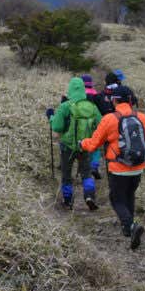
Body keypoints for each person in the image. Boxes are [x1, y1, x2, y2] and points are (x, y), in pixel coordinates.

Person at [80, 85, 145, 250]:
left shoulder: (109, 119)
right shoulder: (141, 117)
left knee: (116, 199)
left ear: (114, 100)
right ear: (130, 100)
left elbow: (93, 145)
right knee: (129, 195)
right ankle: (128, 228)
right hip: (137, 167)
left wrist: (82, 143)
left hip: (118, 168)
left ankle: (131, 226)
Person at [46, 77, 101, 210]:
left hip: (67, 147)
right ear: (83, 89)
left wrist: (51, 117)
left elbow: (57, 127)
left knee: (66, 174)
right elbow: (99, 126)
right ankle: (89, 196)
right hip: (85, 146)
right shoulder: (92, 107)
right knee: (86, 173)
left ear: (70, 89)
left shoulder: (65, 106)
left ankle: (68, 200)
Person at [81, 74, 103, 179]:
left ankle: (84, 167)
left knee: (84, 145)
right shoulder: (96, 95)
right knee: (96, 146)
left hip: (81, 125)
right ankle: (94, 166)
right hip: (94, 123)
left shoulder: (79, 95)